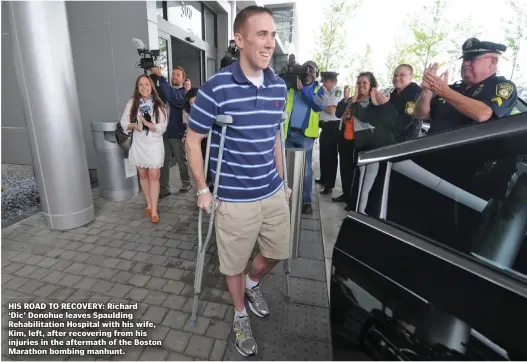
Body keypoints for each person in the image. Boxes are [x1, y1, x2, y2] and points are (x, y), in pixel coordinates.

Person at [185, 6, 291, 357]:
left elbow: (275, 136)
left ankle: (253, 282)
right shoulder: (216, 87)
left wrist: (282, 179)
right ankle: (240, 313)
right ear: (240, 39)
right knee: (232, 263)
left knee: (277, 252)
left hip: (272, 191)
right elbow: (193, 138)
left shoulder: (278, 86)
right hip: (232, 197)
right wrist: (203, 188)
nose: (269, 43)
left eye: (272, 35)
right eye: (262, 35)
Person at [415, 38, 518, 135]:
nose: (465, 64)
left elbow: (483, 114)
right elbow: (421, 115)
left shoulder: (502, 86)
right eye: (464, 59)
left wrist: (445, 93)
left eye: (472, 59)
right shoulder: (454, 88)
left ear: (493, 62)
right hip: (433, 149)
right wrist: (426, 92)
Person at [334, 72, 399, 210]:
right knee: (345, 169)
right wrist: (346, 99)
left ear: (371, 85)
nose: (361, 85)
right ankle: (346, 195)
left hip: (361, 141)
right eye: (359, 83)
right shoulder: (352, 99)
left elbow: (364, 117)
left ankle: (354, 201)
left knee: (357, 174)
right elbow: (338, 113)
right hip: (345, 138)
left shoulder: (373, 101)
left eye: (365, 83)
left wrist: (356, 100)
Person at [119, 75, 167, 223]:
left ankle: (154, 210)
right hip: (139, 144)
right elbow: (123, 122)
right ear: (137, 87)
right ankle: (149, 202)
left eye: (147, 84)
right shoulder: (132, 102)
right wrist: (134, 125)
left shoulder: (158, 104)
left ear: (151, 86)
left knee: (154, 174)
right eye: (141, 85)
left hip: (154, 145)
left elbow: (163, 126)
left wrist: (149, 125)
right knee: (142, 174)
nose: (144, 87)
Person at [283, 61, 326, 214]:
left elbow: (319, 105)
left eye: (313, 71)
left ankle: (306, 201)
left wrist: (306, 88)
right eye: (306, 71)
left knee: (306, 171)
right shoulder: (292, 89)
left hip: (305, 137)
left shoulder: (319, 90)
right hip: (288, 134)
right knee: (284, 168)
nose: (309, 74)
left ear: (317, 74)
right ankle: (283, 199)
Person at [151, 66, 192, 197]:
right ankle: (164, 189)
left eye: (178, 75)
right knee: (164, 162)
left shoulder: (183, 94)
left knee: (181, 160)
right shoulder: (166, 91)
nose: (174, 76)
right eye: (173, 74)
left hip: (176, 133)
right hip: (164, 132)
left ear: (183, 79)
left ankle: (186, 183)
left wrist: (160, 76)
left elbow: (171, 96)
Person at [315, 71, 344, 195]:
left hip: (334, 127)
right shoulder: (324, 91)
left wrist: (319, 104)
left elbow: (332, 110)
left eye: (324, 81)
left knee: (331, 157)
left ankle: (329, 185)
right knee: (323, 154)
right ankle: (323, 178)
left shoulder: (337, 91)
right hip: (325, 126)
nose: (323, 84)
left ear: (329, 82)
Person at [389, 64, 423, 140]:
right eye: (395, 75)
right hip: (390, 138)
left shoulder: (414, 95)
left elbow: (403, 123)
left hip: (405, 143)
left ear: (410, 77)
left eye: (402, 75)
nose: (397, 78)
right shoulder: (393, 94)